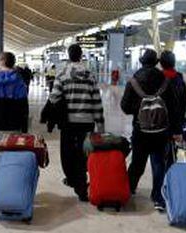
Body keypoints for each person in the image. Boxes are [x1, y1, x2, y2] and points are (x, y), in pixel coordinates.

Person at [120, 49, 183, 212]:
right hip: (161, 131)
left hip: (140, 129)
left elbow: (124, 107)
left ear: (141, 62)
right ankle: (157, 197)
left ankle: (128, 189)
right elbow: (173, 108)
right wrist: (176, 129)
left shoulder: (133, 81)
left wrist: (139, 109)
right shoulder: (165, 80)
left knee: (137, 162)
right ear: (156, 63)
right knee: (158, 163)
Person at [49, 44, 105, 202]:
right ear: (81, 56)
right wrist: (101, 126)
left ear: (68, 55)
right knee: (83, 152)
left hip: (68, 122)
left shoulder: (62, 74)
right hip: (87, 122)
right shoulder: (90, 75)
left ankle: (75, 181)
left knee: (67, 152)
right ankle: (81, 181)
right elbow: (97, 101)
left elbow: (54, 98)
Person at [159, 50, 186, 171]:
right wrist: (178, 129)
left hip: (157, 124)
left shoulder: (157, 78)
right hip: (173, 125)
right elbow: (182, 106)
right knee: (171, 155)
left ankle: (158, 187)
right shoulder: (179, 79)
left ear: (161, 63)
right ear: (174, 63)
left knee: (158, 157)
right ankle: (170, 183)